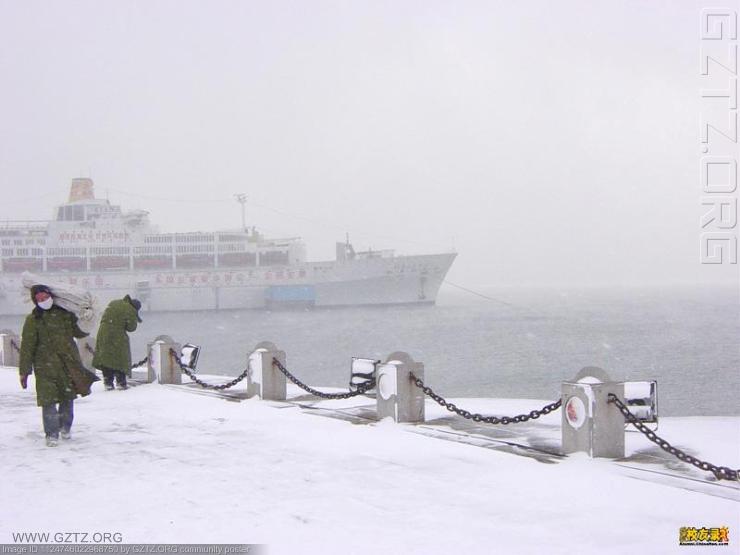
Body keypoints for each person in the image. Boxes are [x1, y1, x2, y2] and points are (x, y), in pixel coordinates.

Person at [19, 284, 99, 447]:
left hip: (67, 364)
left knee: (67, 398)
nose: (43, 301)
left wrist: (87, 318)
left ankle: (65, 428)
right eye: (39, 299)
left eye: (45, 297)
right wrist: (24, 371)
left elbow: (78, 332)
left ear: (51, 297)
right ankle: (51, 434)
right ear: (35, 301)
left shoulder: (64, 315)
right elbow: (27, 346)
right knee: (48, 401)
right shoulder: (33, 320)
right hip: (44, 368)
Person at [93, 295, 142, 391]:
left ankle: (108, 382)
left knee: (106, 357)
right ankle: (121, 382)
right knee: (121, 357)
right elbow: (131, 328)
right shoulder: (130, 309)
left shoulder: (114, 302)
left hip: (103, 332)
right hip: (117, 334)